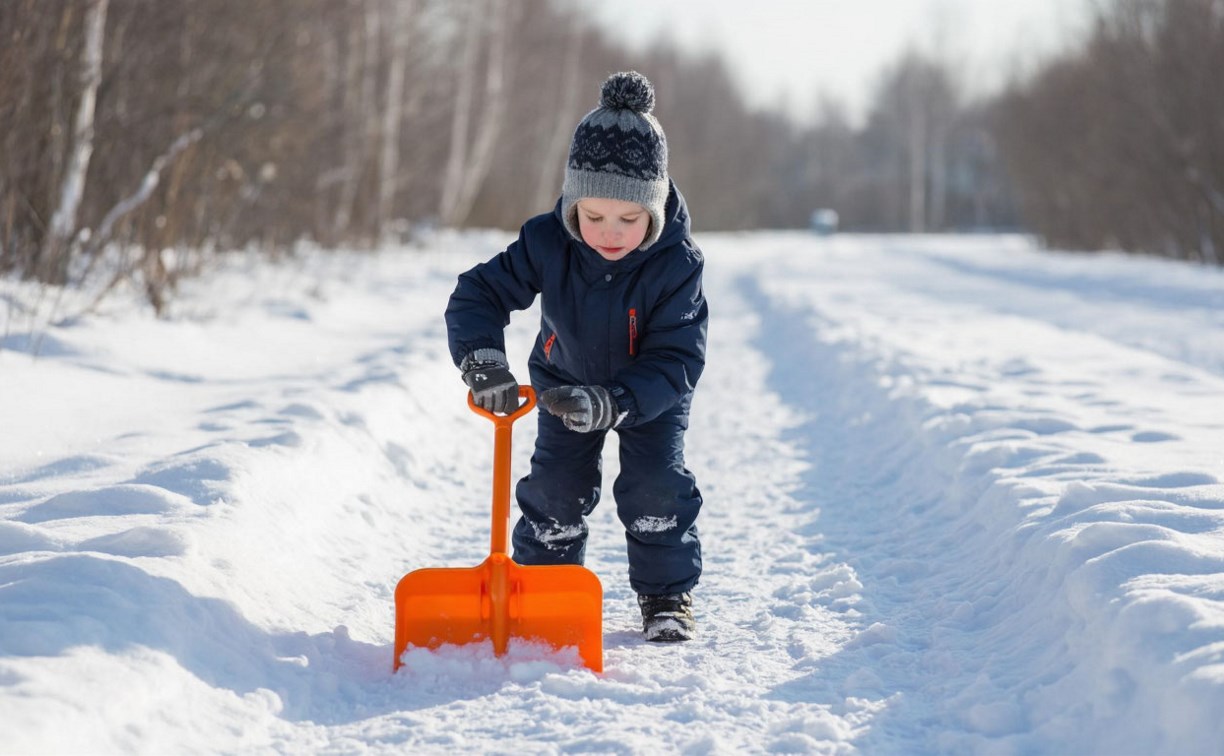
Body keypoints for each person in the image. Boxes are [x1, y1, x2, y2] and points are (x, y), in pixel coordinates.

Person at [445, 71, 707, 643]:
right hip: (566, 387)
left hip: (647, 401)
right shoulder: (548, 242)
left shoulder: (676, 263)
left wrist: (616, 401)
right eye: (593, 217)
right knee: (554, 492)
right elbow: (478, 294)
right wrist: (482, 358)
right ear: (572, 203)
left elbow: (677, 358)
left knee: (654, 487)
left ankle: (666, 596)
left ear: (655, 210)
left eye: (628, 220)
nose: (608, 233)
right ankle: (544, 591)